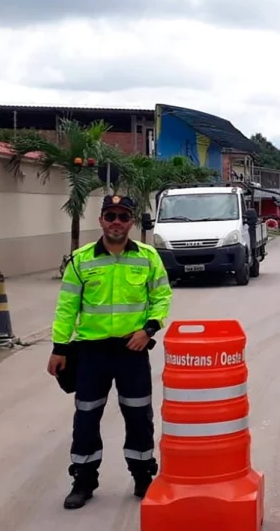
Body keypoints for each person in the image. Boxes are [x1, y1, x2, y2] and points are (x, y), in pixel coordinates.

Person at [47, 195, 173, 510]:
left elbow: (161, 297)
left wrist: (149, 330)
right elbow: (66, 308)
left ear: (131, 222)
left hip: (133, 351)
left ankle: (143, 476)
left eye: (123, 216)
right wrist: (59, 348)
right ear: (101, 220)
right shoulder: (81, 259)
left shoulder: (147, 257)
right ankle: (84, 481)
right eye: (110, 215)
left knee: (139, 416)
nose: (116, 222)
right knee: (86, 417)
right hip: (92, 353)